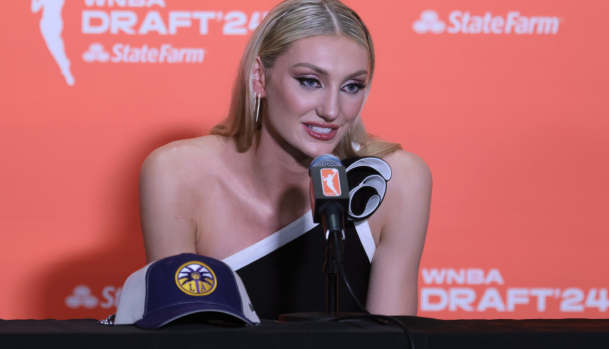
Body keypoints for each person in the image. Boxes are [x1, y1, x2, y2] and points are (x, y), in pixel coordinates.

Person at [139, 0, 431, 318]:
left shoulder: (392, 181)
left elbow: (394, 339)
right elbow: (183, 337)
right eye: (310, 81)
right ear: (259, 78)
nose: (332, 110)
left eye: (352, 86)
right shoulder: (177, 174)